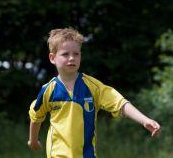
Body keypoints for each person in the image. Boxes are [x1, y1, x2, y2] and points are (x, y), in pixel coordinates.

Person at [28, 27, 160, 158]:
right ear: (52, 58)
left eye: (76, 54)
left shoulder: (93, 87)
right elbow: (36, 116)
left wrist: (144, 120)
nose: (72, 58)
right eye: (65, 54)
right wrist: (33, 141)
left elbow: (119, 103)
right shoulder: (48, 90)